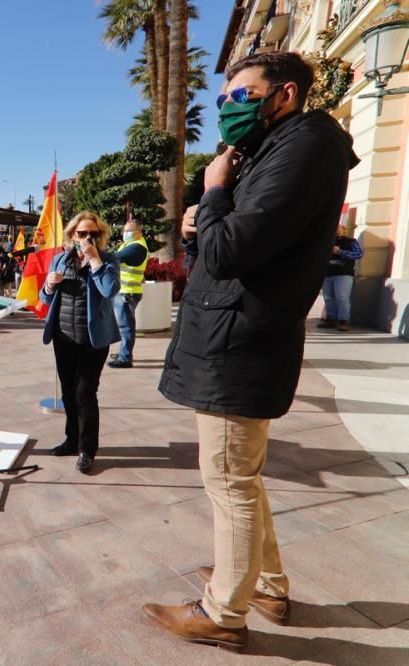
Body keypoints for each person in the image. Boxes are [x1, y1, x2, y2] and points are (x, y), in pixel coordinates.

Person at [144, 52, 359, 651]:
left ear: (283, 94)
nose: (228, 109)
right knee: (244, 474)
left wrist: (213, 194)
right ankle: (264, 584)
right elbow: (231, 239)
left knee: (229, 479)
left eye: (240, 96)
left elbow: (232, 251)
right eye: (222, 100)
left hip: (240, 340)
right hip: (233, 334)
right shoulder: (281, 146)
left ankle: (222, 614)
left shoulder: (304, 146)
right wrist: (201, 217)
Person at [39, 212, 120, 474]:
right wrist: (49, 286)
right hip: (63, 337)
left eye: (93, 234)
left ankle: (87, 449)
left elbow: (110, 290)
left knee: (85, 393)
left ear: (100, 236)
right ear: (72, 235)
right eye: (82, 233)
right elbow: (45, 297)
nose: (87, 238)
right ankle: (71, 440)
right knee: (67, 393)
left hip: (92, 341)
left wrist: (95, 260)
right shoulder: (59, 260)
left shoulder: (108, 259)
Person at [108, 221, 150, 369]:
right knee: (123, 325)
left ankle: (125, 358)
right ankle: (123, 352)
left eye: (129, 231)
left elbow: (116, 257)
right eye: (124, 230)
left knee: (126, 326)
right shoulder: (130, 245)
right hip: (124, 291)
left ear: (138, 232)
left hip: (128, 293)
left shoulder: (137, 247)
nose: (125, 233)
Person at [318, 223, 363, 332]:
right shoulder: (326, 240)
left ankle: (343, 321)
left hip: (343, 274)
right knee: (328, 298)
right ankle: (331, 318)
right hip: (327, 274)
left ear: (343, 230)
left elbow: (359, 254)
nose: (337, 231)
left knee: (342, 297)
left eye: (339, 228)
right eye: (334, 228)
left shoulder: (351, 241)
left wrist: (340, 251)